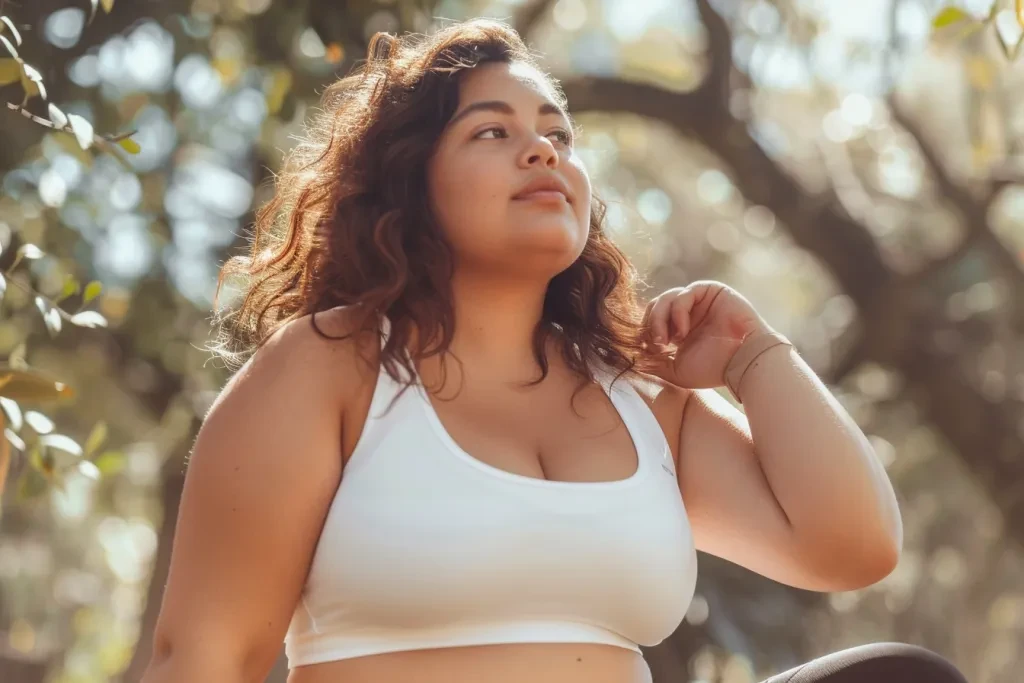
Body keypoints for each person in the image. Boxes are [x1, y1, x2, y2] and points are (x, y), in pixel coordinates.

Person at [139, 17, 971, 683]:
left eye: (558, 134)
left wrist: (753, 357)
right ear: (411, 182)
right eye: (490, 132)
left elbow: (855, 546)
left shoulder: (644, 401)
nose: (542, 150)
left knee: (902, 679)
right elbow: (206, 659)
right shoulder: (328, 366)